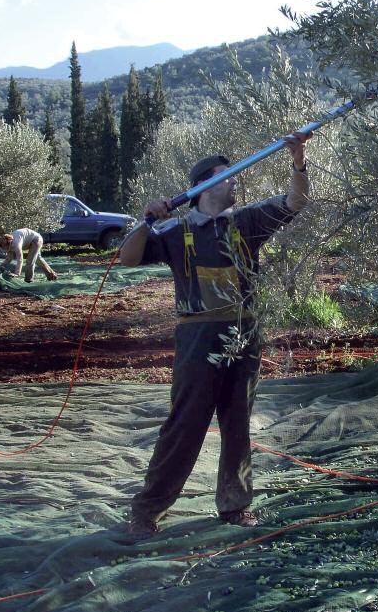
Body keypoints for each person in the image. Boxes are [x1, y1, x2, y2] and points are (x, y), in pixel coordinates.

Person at [118, 131, 311, 540]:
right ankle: (147, 510)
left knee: (238, 422)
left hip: (244, 334)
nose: (234, 182)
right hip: (197, 339)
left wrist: (298, 159)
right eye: (227, 176)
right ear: (202, 187)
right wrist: (145, 219)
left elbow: (296, 202)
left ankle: (235, 505)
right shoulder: (174, 231)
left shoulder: (247, 222)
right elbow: (128, 257)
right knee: (185, 424)